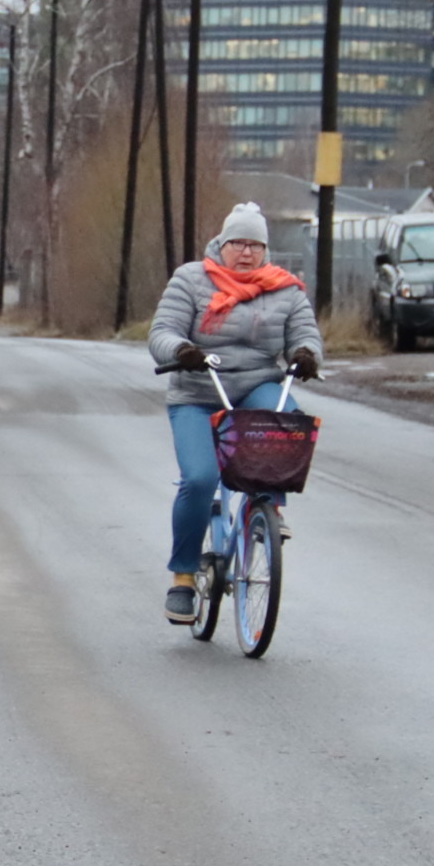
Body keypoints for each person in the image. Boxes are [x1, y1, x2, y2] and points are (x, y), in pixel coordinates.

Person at [148, 203, 321, 624]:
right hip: (198, 389)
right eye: (238, 243)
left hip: (255, 384)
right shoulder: (191, 279)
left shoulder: (285, 289)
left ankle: (267, 508)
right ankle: (183, 578)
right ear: (222, 244)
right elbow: (162, 332)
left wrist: (305, 355)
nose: (246, 252)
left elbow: (306, 335)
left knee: (286, 424)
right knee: (200, 478)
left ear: (265, 249)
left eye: (255, 245)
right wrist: (182, 351)